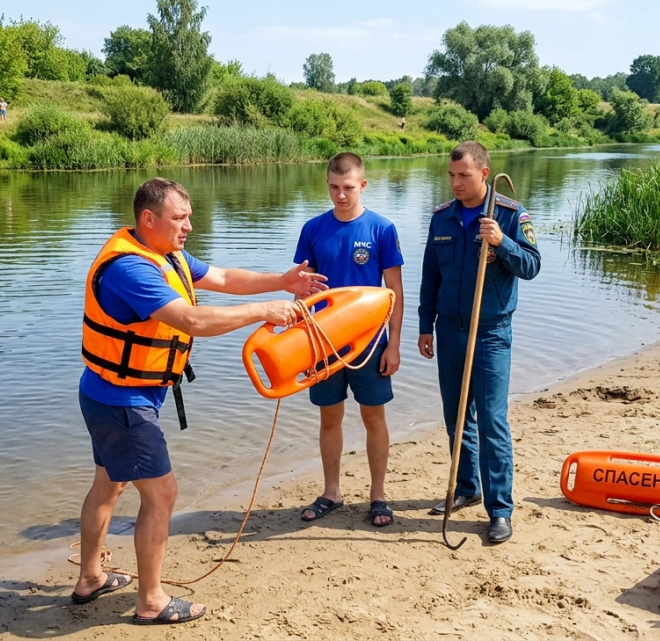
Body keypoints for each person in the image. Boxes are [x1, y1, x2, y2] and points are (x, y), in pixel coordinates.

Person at [74, 178, 327, 624]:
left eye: (190, 216)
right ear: (148, 219)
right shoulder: (129, 269)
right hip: (123, 400)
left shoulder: (163, 252)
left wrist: (283, 281)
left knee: (108, 485)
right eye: (180, 217)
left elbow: (224, 277)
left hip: (113, 394)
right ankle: (151, 602)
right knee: (162, 494)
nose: (189, 225)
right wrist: (265, 310)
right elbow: (190, 319)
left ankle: (91, 577)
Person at [417, 140, 540, 544]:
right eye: (451, 175)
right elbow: (430, 276)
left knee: (491, 420)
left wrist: (502, 242)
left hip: (489, 333)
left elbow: (532, 266)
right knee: (456, 416)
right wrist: (424, 325)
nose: (455, 182)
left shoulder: (507, 214)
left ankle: (500, 510)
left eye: (463, 176)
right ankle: (466, 488)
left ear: (483, 174)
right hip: (449, 329)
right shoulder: (442, 218)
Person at [293, 153, 405, 528]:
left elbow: (394, 292)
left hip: (370, 343)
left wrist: (394, 344)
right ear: (327, 185)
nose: (341, 196)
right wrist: (298, 344)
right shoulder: (312, 229)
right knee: (330, 418)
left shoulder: (382, 229)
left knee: (374, 417)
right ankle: (331, 492)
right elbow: (301, 293)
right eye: (334, 188)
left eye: (349, 188)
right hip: (323, 342)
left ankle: (379, 496)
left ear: (363, 186)